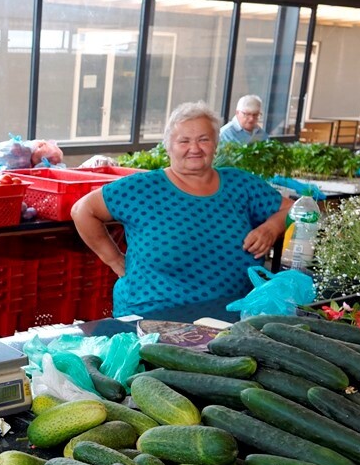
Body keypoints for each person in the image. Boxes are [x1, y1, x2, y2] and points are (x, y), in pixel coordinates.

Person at [71, 101, 293, 317]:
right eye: (184, 141)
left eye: (204, 139)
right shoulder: (141, 188)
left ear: (216, 144)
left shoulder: (241, 184)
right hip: (153, 317)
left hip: (231, 315)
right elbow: (83, 211)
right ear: (168, 146)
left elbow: (294, 209)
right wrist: (114, 260)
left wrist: (271, 228)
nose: (194, 148)